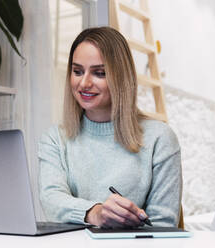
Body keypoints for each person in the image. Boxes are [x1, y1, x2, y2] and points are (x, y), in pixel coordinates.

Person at [38, 26, 182, 228]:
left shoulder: (160, 138)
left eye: (99, 73)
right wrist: (95, 213)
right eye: (77, 71)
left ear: (120, 77)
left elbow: (163, 224)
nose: (84, 83)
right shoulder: (55, 138)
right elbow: (51, 200)